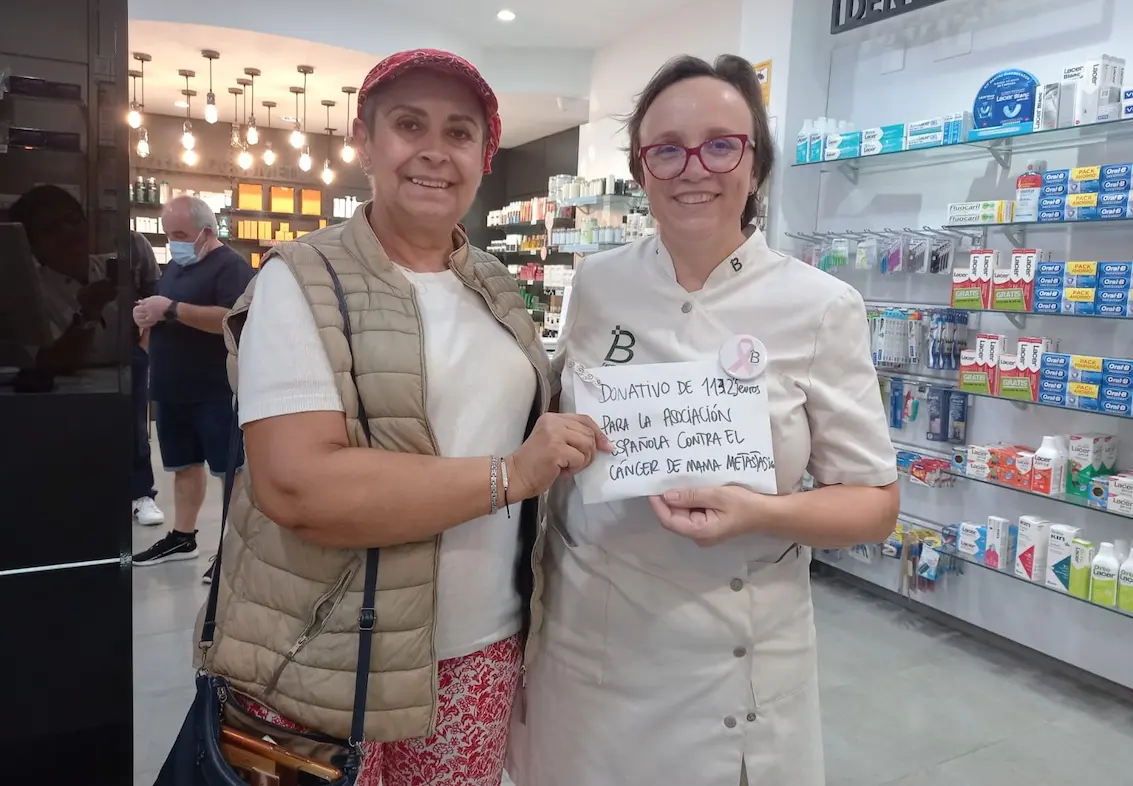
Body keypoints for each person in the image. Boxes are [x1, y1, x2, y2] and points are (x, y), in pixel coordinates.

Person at [203, 49, 608, 786]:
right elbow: (298, 488)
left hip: (480, 648)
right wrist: (509, 475)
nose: (433, 150)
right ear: (364, 142)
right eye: (407, 124)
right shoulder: (303, 282)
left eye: (459, 132)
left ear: (483, 158)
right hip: (321, 660)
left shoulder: (491, 284)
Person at [508, 55, 900, 786]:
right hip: (589, 654)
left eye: (722, 144)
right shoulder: (598, 283)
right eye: (666, 148)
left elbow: (875, 506)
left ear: (755, 168)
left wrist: (759, 512)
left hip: (733, 669)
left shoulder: (819, 306)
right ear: (640, 168)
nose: (694, 167)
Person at [131, 196, 253, 576]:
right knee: (183, 466)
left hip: (215, 388)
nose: (173, 242)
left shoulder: (231, 267)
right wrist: (147, 316)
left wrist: (170, 309)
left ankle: (236, 550)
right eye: (169, 234)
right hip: (172, 388)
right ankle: (183, 537)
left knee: (230, 472)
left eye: (180, 234)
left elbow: (233, 319)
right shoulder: (175, 268)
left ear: (206, 232)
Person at [10, 184, 118, 375]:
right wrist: (88, 315)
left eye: (72, 219)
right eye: (49, 228)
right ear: (32, 245)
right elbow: (50, 362)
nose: (66, 231)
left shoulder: (116, 268)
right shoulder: (29, 295)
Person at [129, 230, 164, 526]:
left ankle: (142, 495)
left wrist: (143, 346)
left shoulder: (134, 243)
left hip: (128, 351)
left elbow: (155, 296)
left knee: (134, 426)